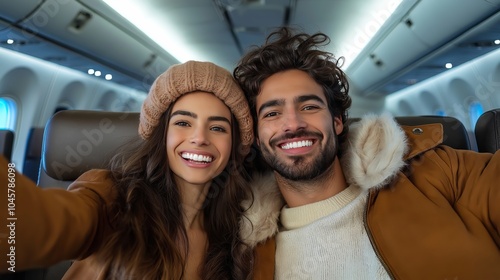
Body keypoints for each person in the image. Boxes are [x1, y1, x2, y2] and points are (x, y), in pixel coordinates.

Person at [234, 27, 500, 279]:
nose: (293, 124)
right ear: (257, 137)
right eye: (272, 113)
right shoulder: (249, 258)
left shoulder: (435, 172)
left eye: (309, 107)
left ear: (337, 121)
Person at [0, 60, 256, 279]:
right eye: (183, 122)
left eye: (218, 128)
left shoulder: (238, 231)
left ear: (234, 144)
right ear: (161, 135)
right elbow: (47, 221)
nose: (199, 138)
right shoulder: (113, 197)